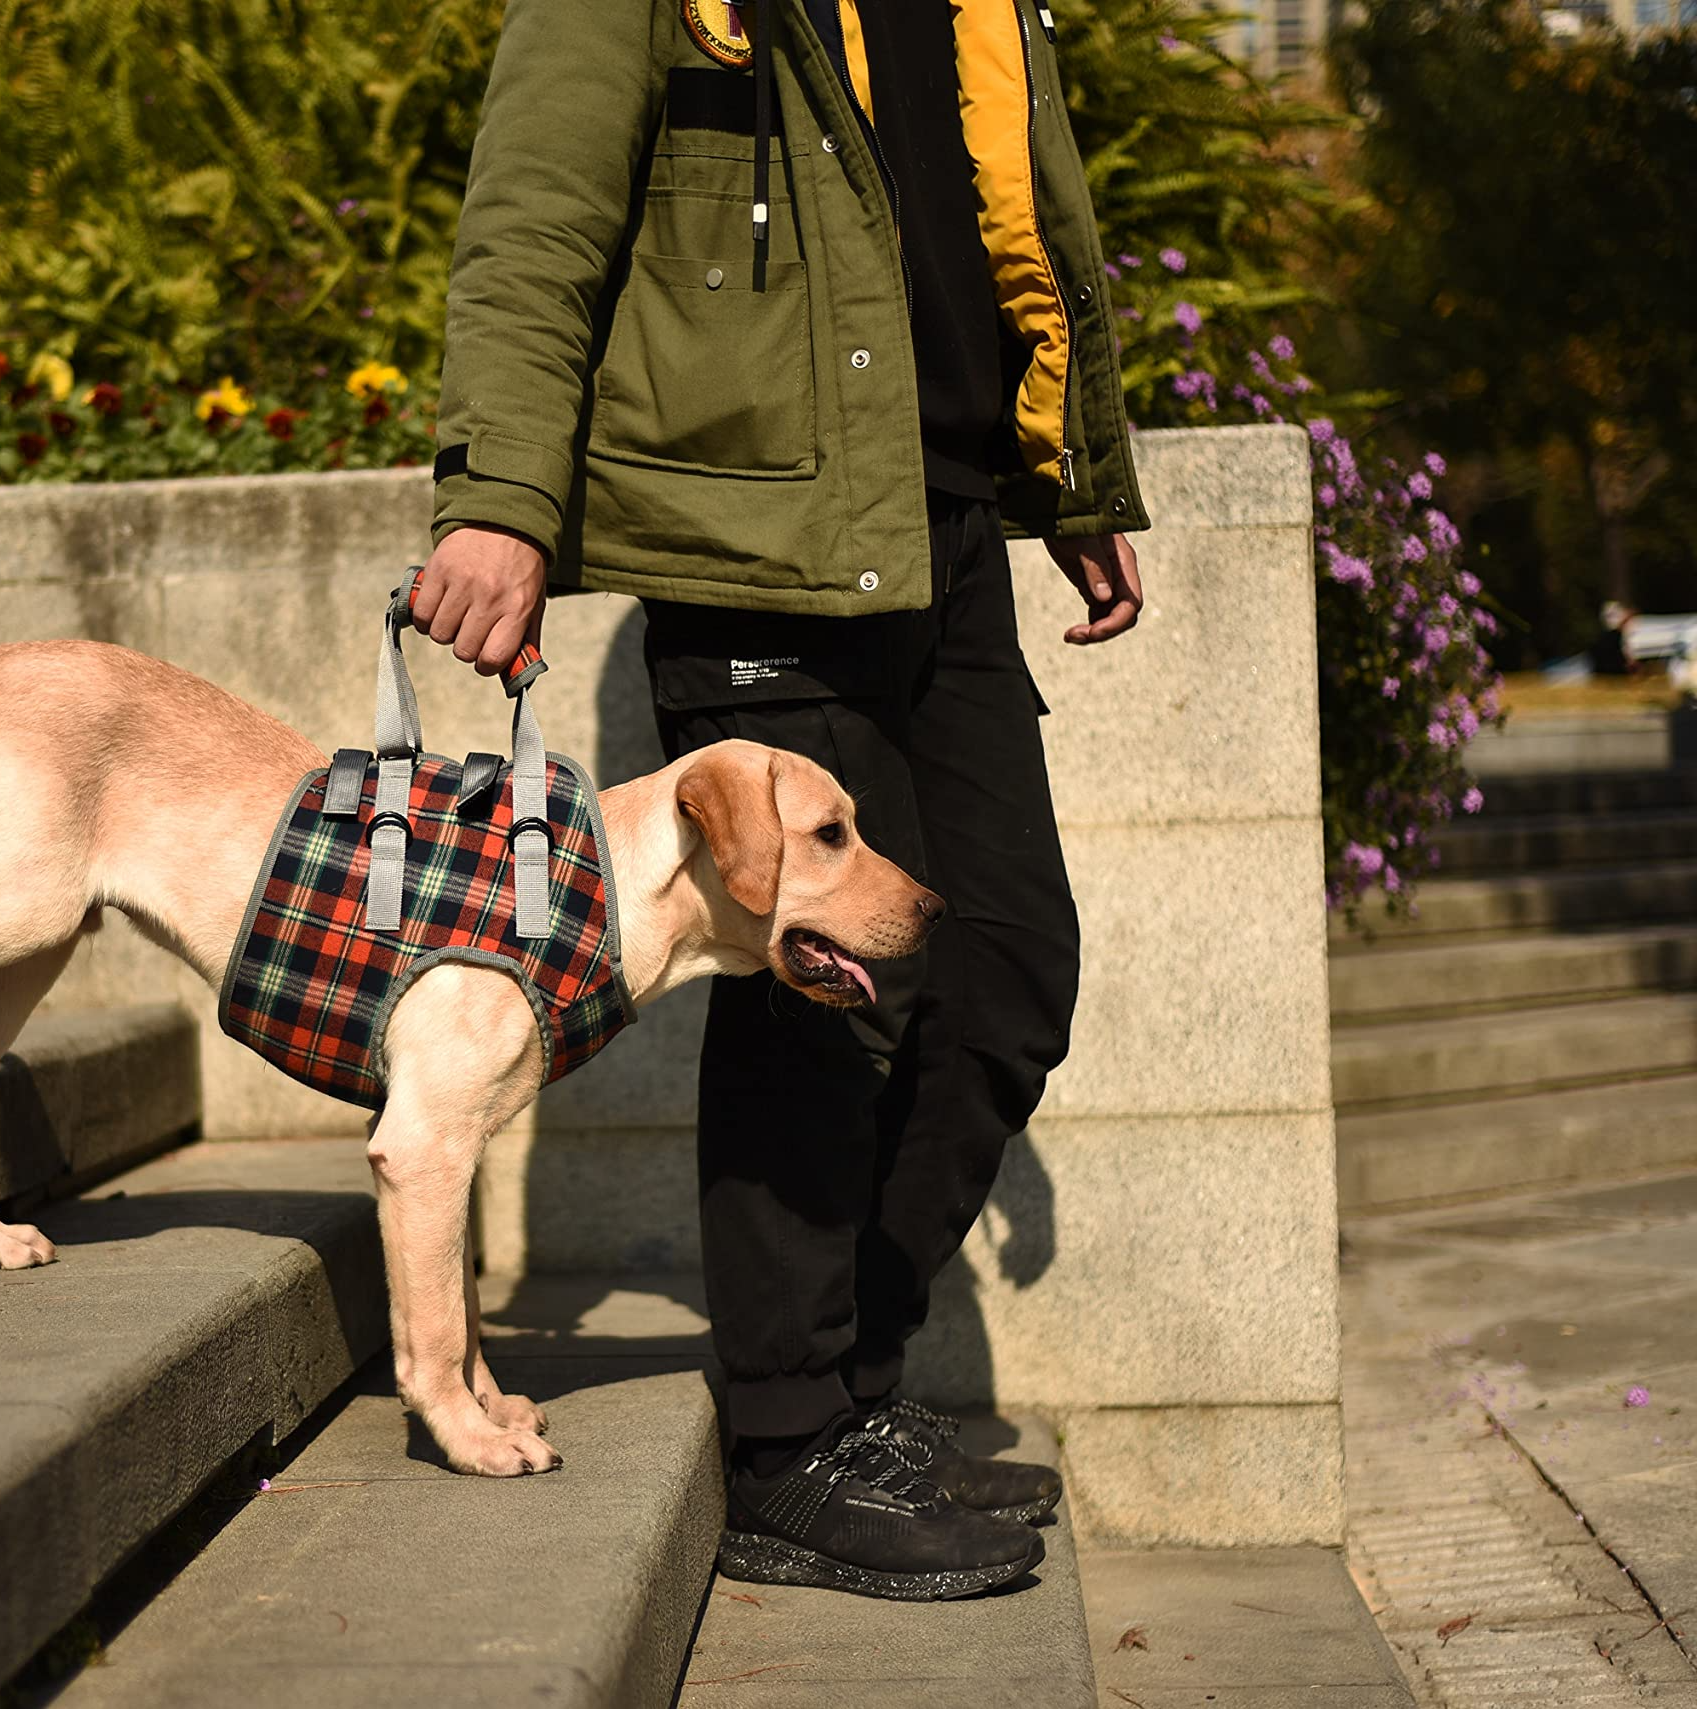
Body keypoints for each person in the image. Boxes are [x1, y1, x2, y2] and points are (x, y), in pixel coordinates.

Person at [413, 0, 1149, 1600]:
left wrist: (1069, 477)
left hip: (942, 523)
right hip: (753, 538)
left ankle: (849, 1395)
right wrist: (500, 497)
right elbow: (538, 214)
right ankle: (787, 1437)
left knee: (1006, 971)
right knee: (829, 996)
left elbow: (1003, 222)